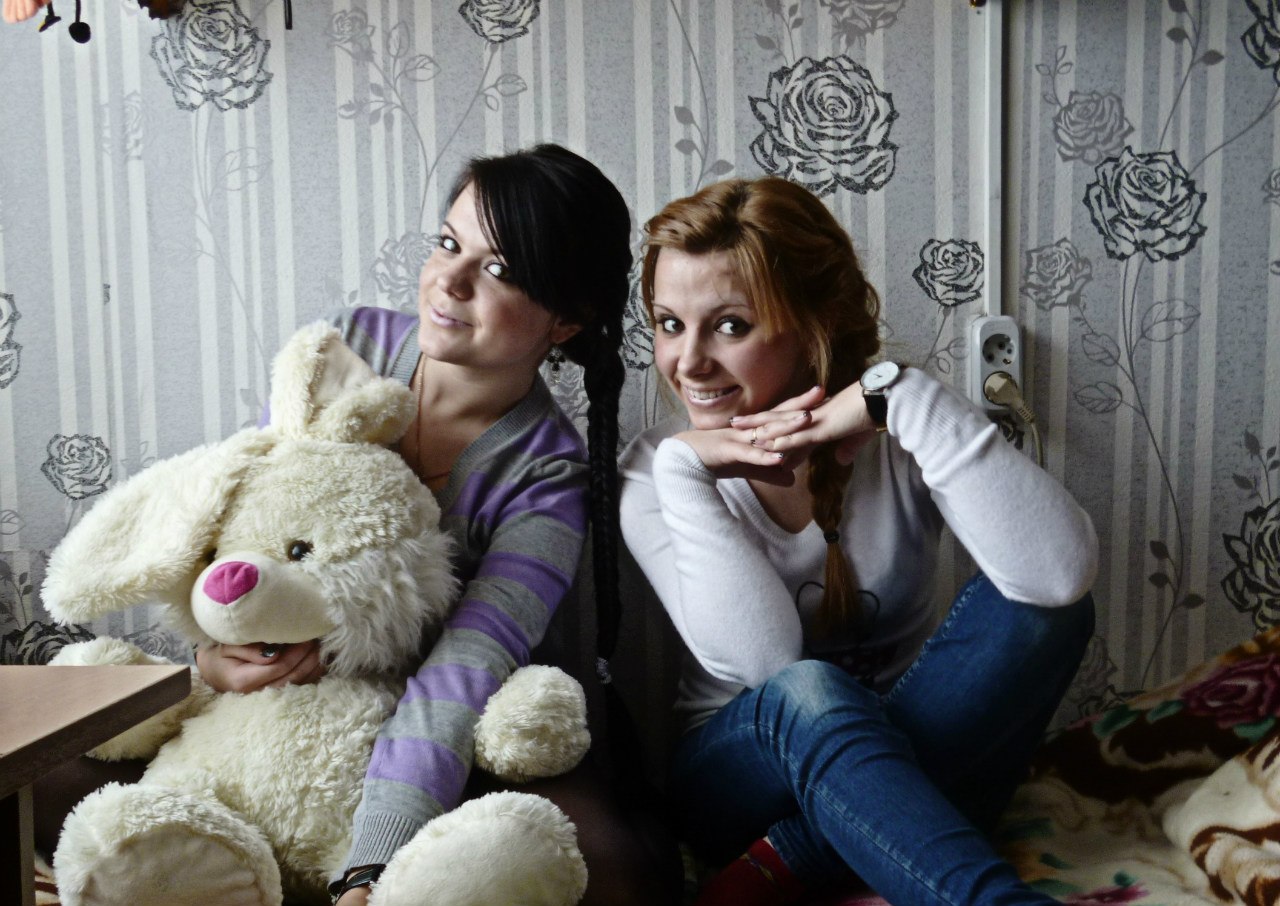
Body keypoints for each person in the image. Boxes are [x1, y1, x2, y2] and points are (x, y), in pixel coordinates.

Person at [37, 144, 679, 905]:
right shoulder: (352, 349)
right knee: (40, 771)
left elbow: (464, 668)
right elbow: (242, 528)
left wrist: (370, 866)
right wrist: (213, 660)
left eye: (499, 269)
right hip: (273, 707)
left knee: (602, 865)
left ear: (567, 319)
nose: (450, 281)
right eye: (449, 243)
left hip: (439, 730)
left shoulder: (546, 475)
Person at [618, 176, 1098, 906]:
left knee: (1045, 611)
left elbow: (1059, 578)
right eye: (669, 324)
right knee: (809, 689)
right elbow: (766, 664)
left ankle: (801, 857)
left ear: (815, 323)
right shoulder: (656, 468)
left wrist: (902, 395)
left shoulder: (900, 431)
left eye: (730, 326)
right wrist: (687, 469)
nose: (688, 362)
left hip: (907, 756)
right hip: (738, 781)